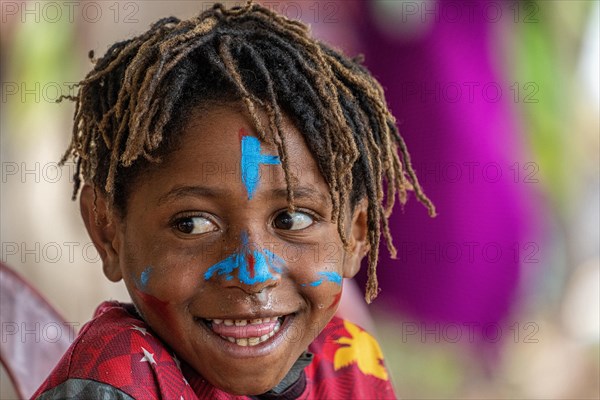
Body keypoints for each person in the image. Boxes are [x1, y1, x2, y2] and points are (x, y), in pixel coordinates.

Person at [33, 1, 435, 398]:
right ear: (108, 234)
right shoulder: (115, 385)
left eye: (292, 219)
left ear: (357, 232)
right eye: (192, 224)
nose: (254, 272)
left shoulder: (350, 361)